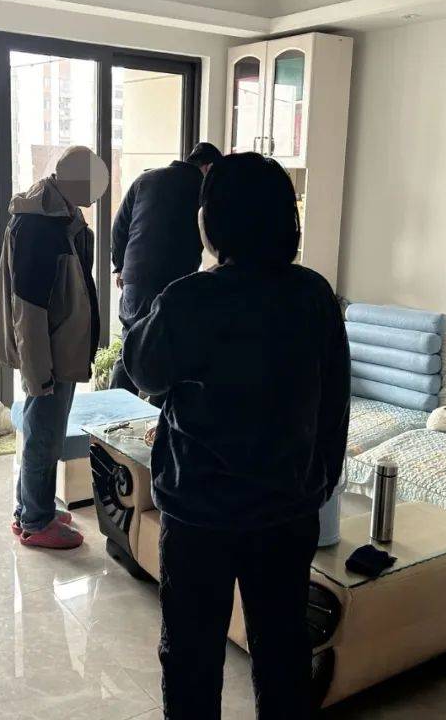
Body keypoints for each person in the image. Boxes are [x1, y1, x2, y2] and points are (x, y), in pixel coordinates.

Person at [124, 153, 350, 720]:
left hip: (199, 511)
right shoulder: (314, 295)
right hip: (287, 507)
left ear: (212, 220)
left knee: (191, 654)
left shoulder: (191, 297)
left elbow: (144, 369)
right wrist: (320, 480)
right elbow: (334, 400)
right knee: (283, 650)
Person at [0, 146, 109, 550]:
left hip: (58, 344)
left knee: (46, 430)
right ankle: (36, 522)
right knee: (44, 434)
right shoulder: (40, 225)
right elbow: (29, 308)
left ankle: (30, 508)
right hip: (48, 351)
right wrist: (38, 372)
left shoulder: (62, 216)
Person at [109, 142, 222, 398]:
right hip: (174, 284)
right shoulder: (203, 189)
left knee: (129, 348)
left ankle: (112, 415)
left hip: (135, 280)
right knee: (168, 353)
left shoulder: (145, 179)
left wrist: (121, 268)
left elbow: (119, 227)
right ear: (208, 167)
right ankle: (156, 420)